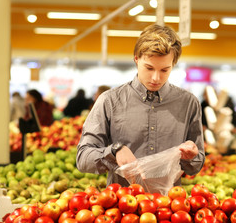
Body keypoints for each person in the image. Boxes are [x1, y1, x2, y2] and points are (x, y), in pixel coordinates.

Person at [76, 24, 205, 187]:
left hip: (170, 207)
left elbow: (196, 164)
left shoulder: (188, 103)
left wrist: (191, 156)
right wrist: (114, 151)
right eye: (149, 68)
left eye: (165, 70)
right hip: (122, 204)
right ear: (136, 59)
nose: (156, 78)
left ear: (174, 64)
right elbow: (83, 158)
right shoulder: (109, 101)